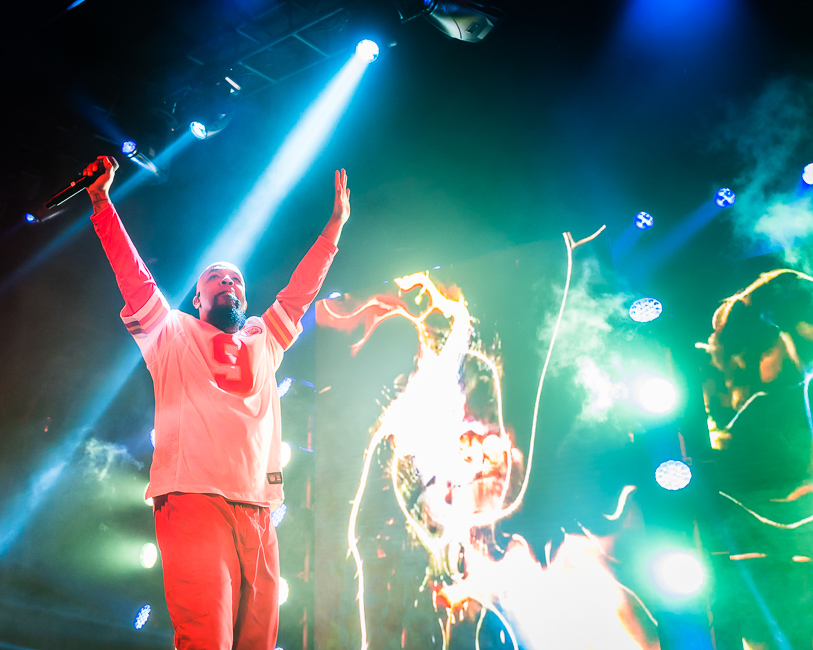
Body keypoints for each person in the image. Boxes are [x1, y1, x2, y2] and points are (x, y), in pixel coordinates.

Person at [83, 155, 350, 649]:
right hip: (193, 500)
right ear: (198, 301)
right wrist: (101, 202)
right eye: (215, 280)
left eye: (236, 281)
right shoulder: (172, 335)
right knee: (207, 639)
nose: (229, 284)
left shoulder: (264, 340)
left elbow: (299, 293)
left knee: (258, 643)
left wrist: (333, 229)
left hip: (259, 508)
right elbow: (134, 275)